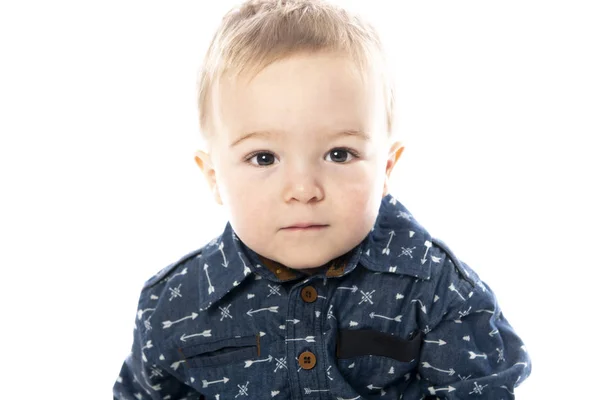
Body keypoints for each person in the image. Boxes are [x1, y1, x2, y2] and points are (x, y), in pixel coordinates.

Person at [113, 0, 531, 398]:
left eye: (339, 154)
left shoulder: (435, 288)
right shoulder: (174, 305)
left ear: (386, 168)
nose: (303, 190)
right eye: (263, 158)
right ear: (214, 177)